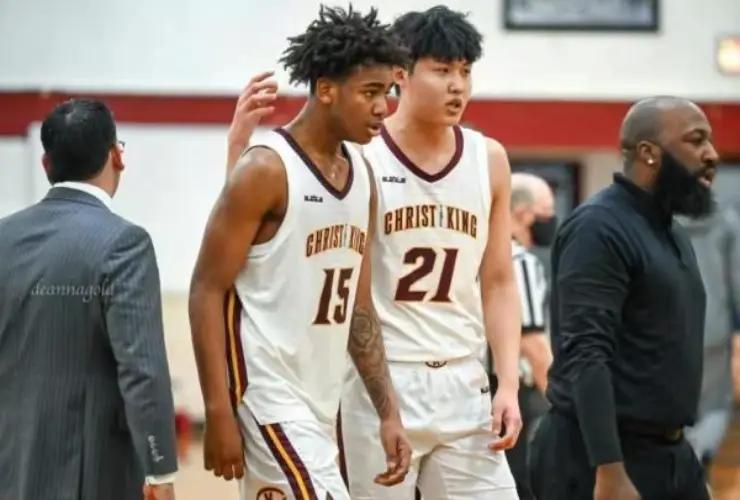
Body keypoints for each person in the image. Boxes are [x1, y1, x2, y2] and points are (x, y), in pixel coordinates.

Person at [189, 6, 411, 500]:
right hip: (266, 397)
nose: (384, 107)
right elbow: (206, 289)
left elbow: (358, 306)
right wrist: (218, 410)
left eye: (388, 93)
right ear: (326, 89)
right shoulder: (266, 170)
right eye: (370, 92)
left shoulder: (362, 175)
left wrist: (389, 412)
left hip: (321, 405)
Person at [340, 6, 521, 499]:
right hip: (384, 381)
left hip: (464, 380)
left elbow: (499, 280)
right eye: (442, 71)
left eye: (465, 71)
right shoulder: (362, 157)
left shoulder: (489, 159)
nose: (457, 86)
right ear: (401, 74)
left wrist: (507, 383)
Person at [530, 96, 720, 500]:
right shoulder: (598, 227)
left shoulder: (671, 232)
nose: (712, 154)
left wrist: (681, 463)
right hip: (599, 458)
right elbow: (585, 352)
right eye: (696, 140)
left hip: (668, 454)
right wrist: (609, 468)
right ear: (649, 153)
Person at [0, 99, 177, 500]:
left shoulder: (3, 236)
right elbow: (142, 369)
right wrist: (160, 470)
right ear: (117, 156)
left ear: (46, 164)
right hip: (93, 474)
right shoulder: (124, 243)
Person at [491, 172, 555, 500]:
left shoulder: (482, 253)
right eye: (546, 211)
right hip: (508, 394)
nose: (551, 220)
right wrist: (565, 406)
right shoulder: (518, 261)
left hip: (477, 388)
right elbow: (533, 346)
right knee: (519, 487)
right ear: (522, 212)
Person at [682, 205, 740, 469]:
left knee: (673, 406)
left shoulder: (651, 217)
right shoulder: (725, 220)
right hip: (713, 328)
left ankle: (683, 462)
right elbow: (737, 280)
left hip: (665, 330)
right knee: (714, 405)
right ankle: (701, 456)